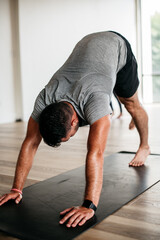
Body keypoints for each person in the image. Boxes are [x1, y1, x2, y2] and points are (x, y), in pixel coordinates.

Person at [0, 31, 150, 228]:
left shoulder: (94, 102)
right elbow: (30, 141)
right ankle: (130, 117)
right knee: (109, 106)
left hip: (115, 46)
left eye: (68, 138)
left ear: (72, 123)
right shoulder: (45, 98)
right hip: (88, 47)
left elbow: (95, 153)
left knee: (131, 103)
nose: (70, 138)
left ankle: (144, 145)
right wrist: (16, 189)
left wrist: (89, 205)